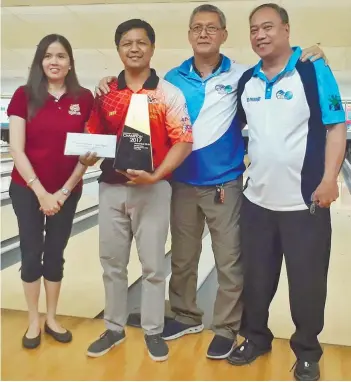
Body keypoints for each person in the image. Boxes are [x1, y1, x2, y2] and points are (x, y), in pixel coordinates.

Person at [96, 5, 327, 359]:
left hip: (226, 184)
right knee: (184, 259)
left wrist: (312, 56)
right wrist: (107, 83)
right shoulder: (171, 80)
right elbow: (142, 112)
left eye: (211, 28)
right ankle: (186, 315)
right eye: (197, 28)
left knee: (229, 262)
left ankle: (225, 328)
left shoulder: (242, 77)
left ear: (223, 34)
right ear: (189, 34)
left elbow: (276, 96)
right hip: (182, 184)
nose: (203, 34)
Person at [226, 4, 346, 381]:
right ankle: (256, 339)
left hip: (303, 202)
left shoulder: (313, 71)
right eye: (254, 30)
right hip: (257, 202)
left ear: (286, 30)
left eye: (268, 27)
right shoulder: (248, 81)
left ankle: (308, 351)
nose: (260, 35)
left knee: (307, 284)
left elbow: (336, 126)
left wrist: (329, 180)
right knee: (257, 280)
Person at [84, 19, 193, 362]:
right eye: (127, 43)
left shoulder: (168, 94)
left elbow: (184, 141)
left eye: (141, 42)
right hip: (111, 190)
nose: (134, 48)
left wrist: (156, 175)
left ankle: (153, 331)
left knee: (153, 267)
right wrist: (87, 154)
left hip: (154, 189)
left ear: (152, 47)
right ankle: (114, 328)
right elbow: (93, 138)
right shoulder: (104, 93)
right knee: (112, 264)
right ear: (118, 49)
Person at [7, 34, 95, 349]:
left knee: (55, 256)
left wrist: (64, 190)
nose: (53, 62)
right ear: (40, 61)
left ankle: (52, 318)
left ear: (70, 62)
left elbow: (88, 150)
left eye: (60, 56)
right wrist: (42, 192)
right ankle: (33, 320)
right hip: (26, 189)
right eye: (47, 56)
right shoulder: (23, 95)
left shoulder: (84, 98)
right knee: (31, 255)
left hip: (68, 190)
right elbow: (16, 148)